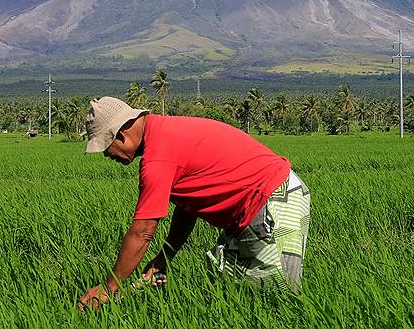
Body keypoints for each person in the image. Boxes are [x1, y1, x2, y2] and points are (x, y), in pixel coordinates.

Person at [77, 96, 311, 311]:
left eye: (106, 148)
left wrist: (109, 287)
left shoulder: (158, 159)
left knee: (277, 298)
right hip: (256, 205)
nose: (108, 156)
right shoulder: (165, 132)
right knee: (228, 288)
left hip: (273, 199)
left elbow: (142, 232)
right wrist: (164, 257)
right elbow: (188, 207)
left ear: (120, 135)